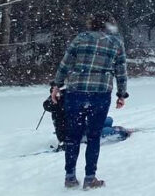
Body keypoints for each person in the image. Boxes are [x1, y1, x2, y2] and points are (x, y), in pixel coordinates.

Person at [50, 12, 128, 190]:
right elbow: (121, 71)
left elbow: (65, 64)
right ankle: (90, 178)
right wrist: (121, 94)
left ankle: (70, 177)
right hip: (100, 94)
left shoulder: (80, 39)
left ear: (92, 24)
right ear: (110, 25)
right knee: (94, 136)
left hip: (75, 92)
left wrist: (56, 86)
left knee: (73, 136)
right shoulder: (116, 43)